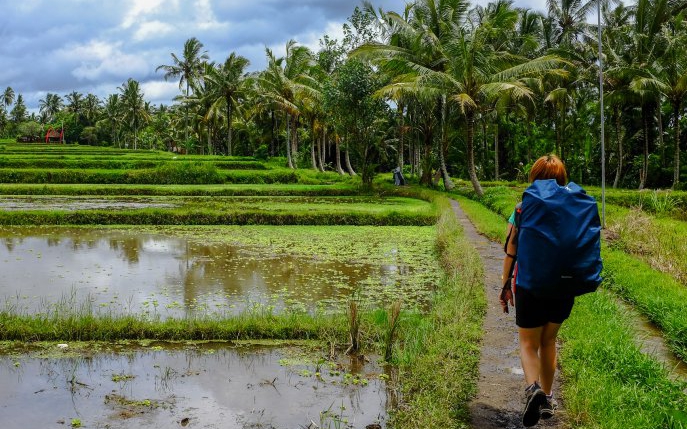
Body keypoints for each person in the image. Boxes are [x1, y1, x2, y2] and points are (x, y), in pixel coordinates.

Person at [499, 154, 574, 427]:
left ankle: (534, 390)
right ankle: (549, 397)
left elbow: (511, 251)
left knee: (528, 344)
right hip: (565, 286)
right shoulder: (574, 206)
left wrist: (505, 285)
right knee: (549, 342)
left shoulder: (521, 209)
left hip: (529, 285)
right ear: (562, 179)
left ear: (534, 178)